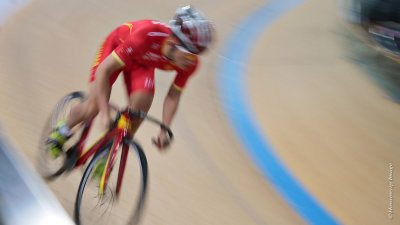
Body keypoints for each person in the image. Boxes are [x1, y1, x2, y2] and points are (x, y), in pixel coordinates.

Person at [46, 5, 214, 157]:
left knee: (139, 112)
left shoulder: (190, 64)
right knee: (95, 105)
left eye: (195, 56)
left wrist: (164, 129)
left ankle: (107, 154)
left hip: (142, 62)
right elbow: (104, 71)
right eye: (188, 54)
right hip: (117, 48)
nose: (190, 61)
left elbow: (173, 95)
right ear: (173, 43)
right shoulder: (146, 36)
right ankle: (62, 131)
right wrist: (104, 113)